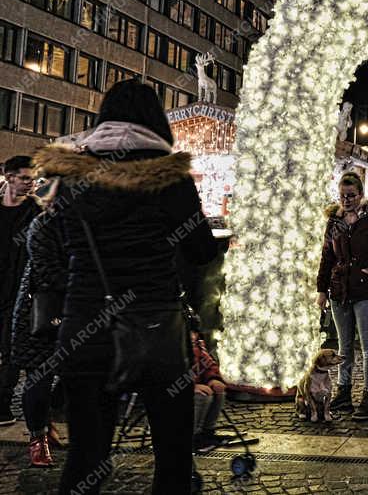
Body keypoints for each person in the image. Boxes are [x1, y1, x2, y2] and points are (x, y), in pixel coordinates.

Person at [34, 80, 219, 495]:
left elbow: (56, 247)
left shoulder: (68, 176)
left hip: (84, 323)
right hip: (155, 326)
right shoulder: (170, 179)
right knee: (173, 453)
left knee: (86, 455)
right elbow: (202, 251)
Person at [316, 172, 368, 421]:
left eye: (351, 195)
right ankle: (344, 392)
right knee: (344, 345)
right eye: (342, 196)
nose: (346, 200)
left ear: (361, 195)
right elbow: (327, 256)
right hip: (340, 290)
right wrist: (321, 289)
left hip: (366, 291)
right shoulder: (334, 222)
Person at [10, 183, 64, 466]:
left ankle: (47, 420)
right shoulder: (43, 226)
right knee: (39, 379)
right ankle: (37, 438)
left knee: (75, 377)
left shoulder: (88, 225)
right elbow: (50, 275)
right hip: (40, 315)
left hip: (76, 314)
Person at [1, 155, 38, 427]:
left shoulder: (36, 213)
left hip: (18, 295)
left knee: (11, 351)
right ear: (9, 176)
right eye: (25, 178)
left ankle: (2, 404)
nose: (30, 184)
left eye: (33, 179)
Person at [190, 318, 229, 451]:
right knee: (203, 396)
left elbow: (208, 364)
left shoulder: (198, 345)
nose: (194, 336)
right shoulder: (174, 348)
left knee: (218, 392)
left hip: (196, 384)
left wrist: (213, 378)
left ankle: (208, 432)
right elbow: (173, 372)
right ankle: (193, 435)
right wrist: (192, 386)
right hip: (175, 389)